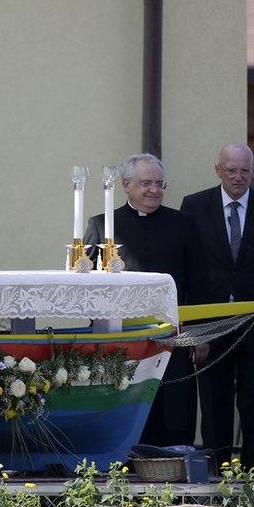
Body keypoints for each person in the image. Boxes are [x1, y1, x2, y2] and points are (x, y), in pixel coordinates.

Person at [180, 143, 254, 466]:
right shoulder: (194, 206)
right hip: (210, 327)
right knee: (214, 408)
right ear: (217, 170)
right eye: (231, 170)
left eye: (244, 171)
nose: (237, 177)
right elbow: (186, 270)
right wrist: (193, 331)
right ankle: (217, 478)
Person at [85, 153, 207, 447]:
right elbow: (86, 288)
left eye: (159, 183)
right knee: (126, 408)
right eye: (146, 183)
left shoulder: (184, 224)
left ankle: (173, 474)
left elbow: (200, 282)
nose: (154, 189)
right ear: (126, 185)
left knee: (175, 410)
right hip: (123, 342)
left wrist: (200, 333)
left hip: (175, 338)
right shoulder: (102, 225)